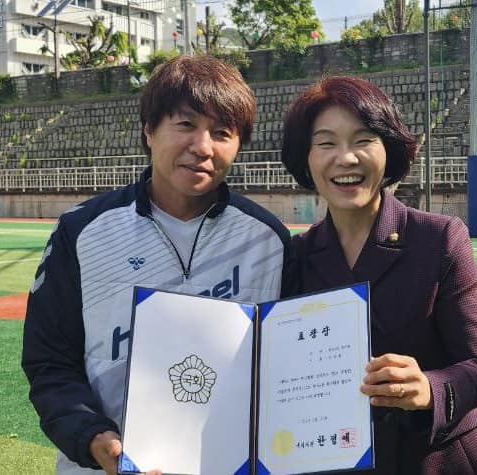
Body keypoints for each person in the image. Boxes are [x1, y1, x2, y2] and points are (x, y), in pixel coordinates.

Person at [22, 55, 291, 475]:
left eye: (222, 132)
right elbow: (50, 361)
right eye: (185, 124)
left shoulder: (268, 239)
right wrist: (94, 438)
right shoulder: (81, 231)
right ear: (149, 129)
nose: (203, 147)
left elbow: (286, 366)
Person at [281, 76, 477, 474]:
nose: (346, 158)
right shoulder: (296, 255)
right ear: (305, 159)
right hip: (333, 459)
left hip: (434, 459)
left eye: (363, 140)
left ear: (389, 150)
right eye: (326, 143)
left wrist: (429, 389)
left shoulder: (439, 238)